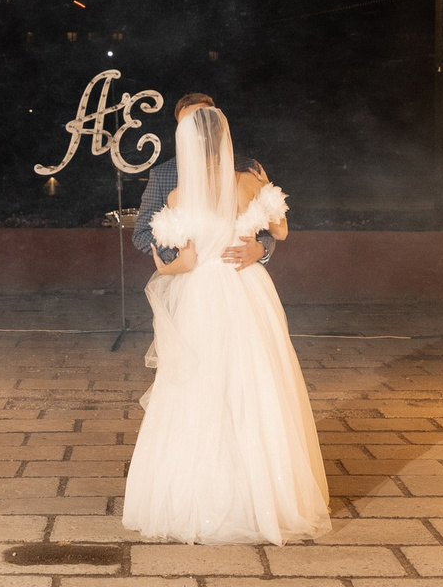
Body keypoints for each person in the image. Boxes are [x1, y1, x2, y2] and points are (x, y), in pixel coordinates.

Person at [122, 105, 332, 544]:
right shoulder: (248, 182)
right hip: (245, 287)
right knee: (256, 381)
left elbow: (181, 262)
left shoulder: (179, 197)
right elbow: (282, 230)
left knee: (201, 384)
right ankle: (265, 496)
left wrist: (166, 266)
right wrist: (256, 227)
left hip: (202, 293)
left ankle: (201, 497)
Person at [133, 92, 272, 369]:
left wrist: (261, 248)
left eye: (205, 119)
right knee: (199, 361)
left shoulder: (246, 168)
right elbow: (142, 233)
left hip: (242, 281)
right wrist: (182, 253)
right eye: (191, 122)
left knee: (245, 360)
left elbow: (269, 222)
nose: (200, 128)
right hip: (193, 286)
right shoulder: (163, 174)